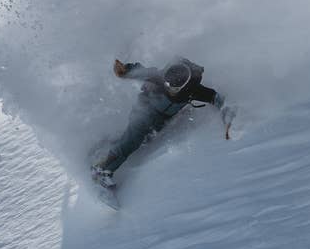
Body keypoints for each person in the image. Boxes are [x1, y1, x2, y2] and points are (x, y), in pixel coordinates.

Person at [91, 57, 234, 190]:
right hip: (144, 110)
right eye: (166, 84)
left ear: (183, 87)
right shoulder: (159, 77)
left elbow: (217, 99)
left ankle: (107, 147)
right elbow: (140, 71)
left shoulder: (194, 90)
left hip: (162, 119)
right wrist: (125, 70)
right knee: (134, 138)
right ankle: (102, 171)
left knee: (143, 140)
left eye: (172, 88)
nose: (167, 88)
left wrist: (228, 118)